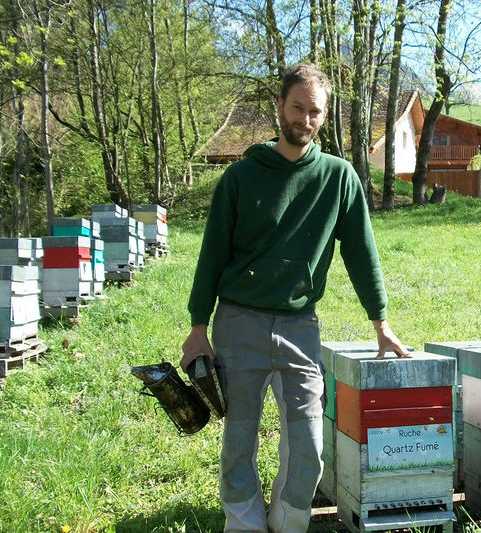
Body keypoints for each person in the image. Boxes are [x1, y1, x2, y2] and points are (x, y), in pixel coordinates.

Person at [180, 62, 410, 533]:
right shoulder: (240, 178)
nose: (305, 119)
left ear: (325, 117)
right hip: (238, 322)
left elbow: (362, 253)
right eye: (297, 108)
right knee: (239, 437)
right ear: (280, 107)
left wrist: (381, 323)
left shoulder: (339, 177)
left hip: (299, 324)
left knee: (307, 445)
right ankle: (243, 523)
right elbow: (211, 256)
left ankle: (287, 522)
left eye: (315, 112)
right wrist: (198, 327)